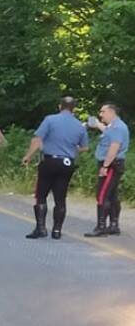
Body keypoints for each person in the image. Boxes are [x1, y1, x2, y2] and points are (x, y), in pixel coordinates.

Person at [21, 96, 89, 239]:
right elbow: (85, 147)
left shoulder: (50, 120)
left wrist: (28, 156)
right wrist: (72, 149)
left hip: (50, 161)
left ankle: (41, 228)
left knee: (41, 195)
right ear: (74, 109)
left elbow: (37, 139)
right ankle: (57, 231)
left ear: (60, 106)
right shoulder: (79, 126)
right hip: (67, 163)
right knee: (60, 197)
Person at [84, 103, 130, 237]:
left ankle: (101, 227)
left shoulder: (117, 127)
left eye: (103, 112)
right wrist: (97, 124)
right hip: (114, 164)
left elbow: (114, 147)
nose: (101, 114)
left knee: (102, 195)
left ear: (111, 112)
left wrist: (105, 166)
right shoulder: (114, 126)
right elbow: (107, 133)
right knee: (112, 195)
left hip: (110, 165)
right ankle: (114, 225)